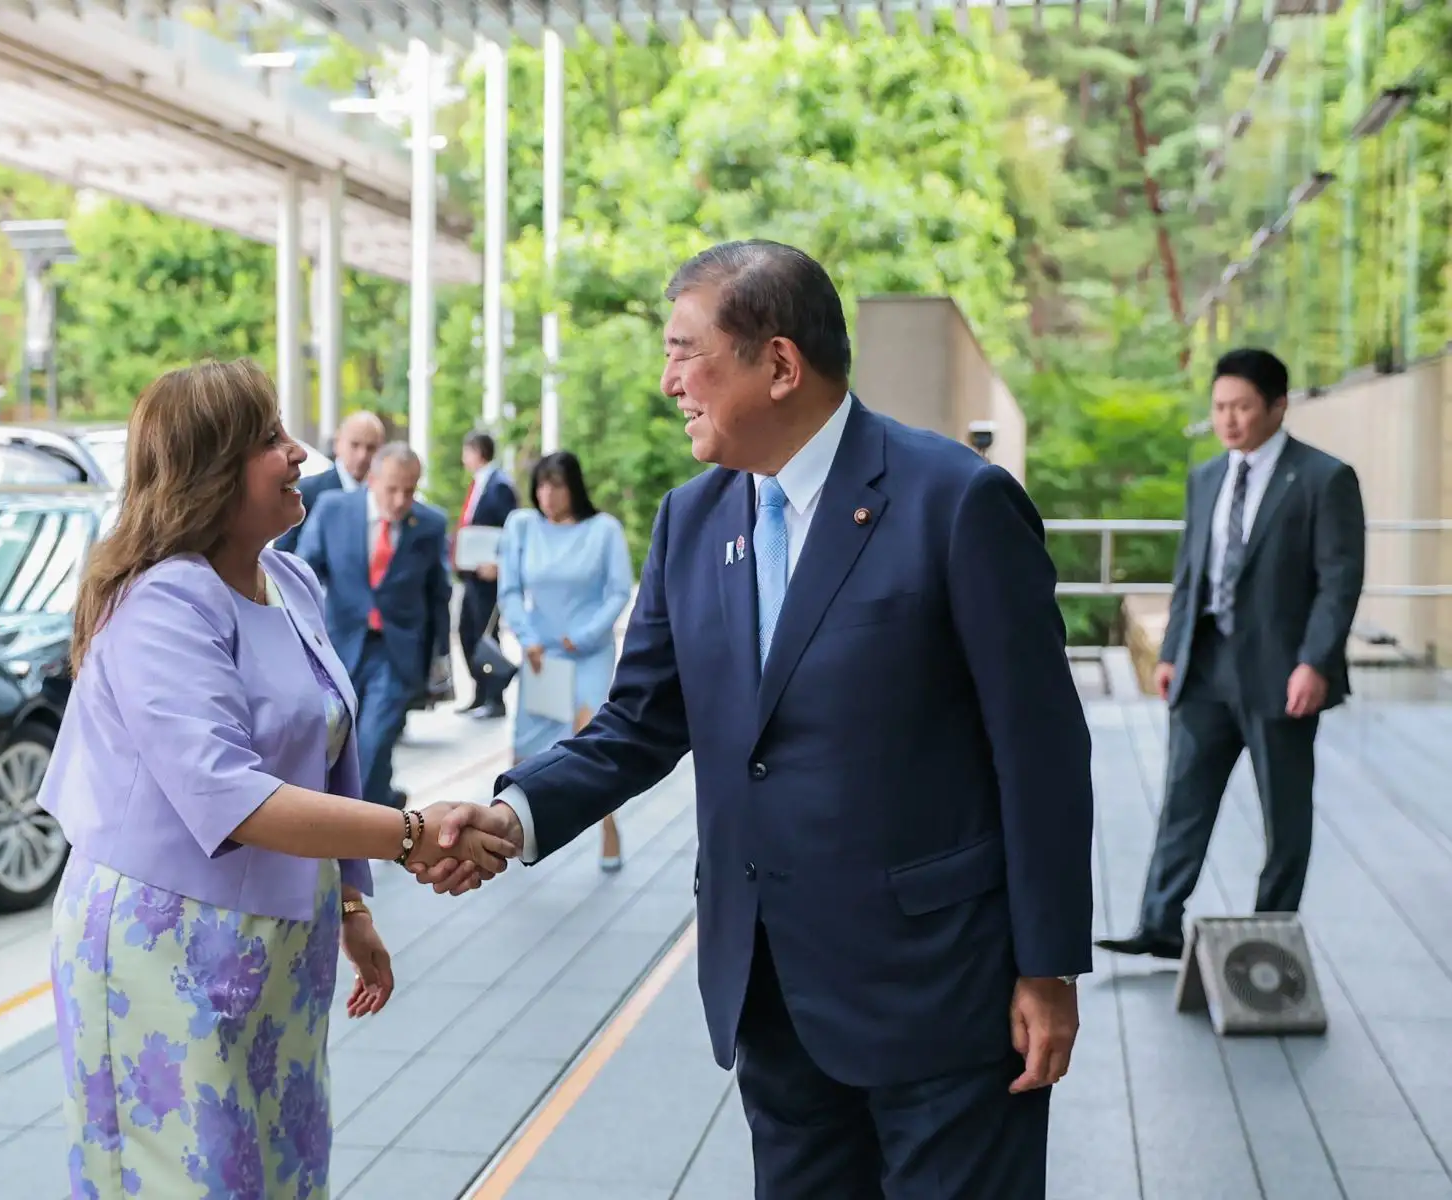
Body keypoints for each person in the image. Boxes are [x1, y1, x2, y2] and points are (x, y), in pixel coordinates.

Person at [428, 241, 1094, 1198]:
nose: (667, 382)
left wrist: (1049, 967)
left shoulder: (956, 503)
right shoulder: (692, 522)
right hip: (771, 991)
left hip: (943, 992)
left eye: (685, 352)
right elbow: (640, 722)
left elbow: (1041, 752)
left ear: (779, 365)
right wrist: (515, 814)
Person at [40, 359, 513, 1200]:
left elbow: (327, 754)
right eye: (269, 438)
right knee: (191, 1178)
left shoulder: (288, 579)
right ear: (210, 470)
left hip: (281, 941)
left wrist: (354, 903)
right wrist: (411, 837)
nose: (299, 452)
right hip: (166, 946)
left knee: (281, 1172)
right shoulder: (162, 606)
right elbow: (230, 792)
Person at [1096, 348, 1365, 961]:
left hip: (1282, 671)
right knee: (1183, 801)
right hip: (1205, 667)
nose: (1229, 420)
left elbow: (1338, 581)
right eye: (1220, 407)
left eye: (1242, 406)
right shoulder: (1207, 477)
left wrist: (1315, 661)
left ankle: (1270, 933)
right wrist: (1171, 651)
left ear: (1277, 405)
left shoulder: (1324, 478)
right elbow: (1192, 572)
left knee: (1284, 813)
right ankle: (1159, 923)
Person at [497, 450, 634, 871]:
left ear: (573, 487)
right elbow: (510, 589)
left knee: (589, 738)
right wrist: (529, 637)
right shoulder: (522, 526)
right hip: (542, 654)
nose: (546, 494)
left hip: (587, 652)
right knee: (527, 746)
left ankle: (608, 828)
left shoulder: (603, 530)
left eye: (556, 485)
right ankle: (506, 832)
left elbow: (617, 591)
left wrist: (585, 635)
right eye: (540, 485)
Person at [299, 443, 452, 810]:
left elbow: (438, 595)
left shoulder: (429, 525)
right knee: (340, 736)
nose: (401, 500)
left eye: (410, 490)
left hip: (397, 651)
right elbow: (304, 573)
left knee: (373, 739)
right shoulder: (334, 510)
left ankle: (348, 833)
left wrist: (439, 656)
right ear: (373, 480)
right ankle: (382, 799)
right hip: (341, 644)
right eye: (393, 489)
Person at [453, 430, 517, 718]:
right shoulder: (479, 484)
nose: (463, 458)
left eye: (466, 451)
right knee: (467, 631)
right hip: (472, 574)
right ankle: (480, 692)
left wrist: (501, 565)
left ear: (478, 452)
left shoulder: (499, 486)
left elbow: (509, 531)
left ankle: (495, 697)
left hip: (489, 576)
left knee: (485, 633)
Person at [273, 409, 386, 554]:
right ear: (337, 443)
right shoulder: (306, 492)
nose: (362, 456)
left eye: (371, 448)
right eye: (355, 445)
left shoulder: (384, 497)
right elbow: (282, 553)